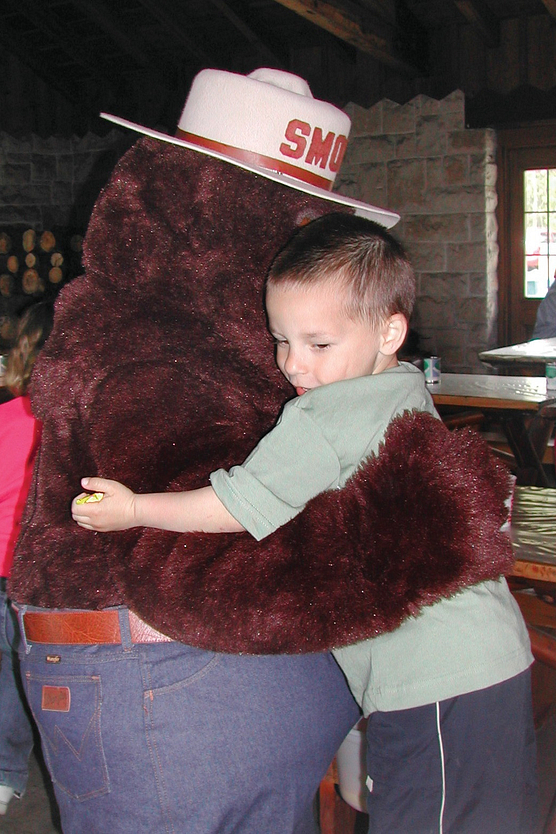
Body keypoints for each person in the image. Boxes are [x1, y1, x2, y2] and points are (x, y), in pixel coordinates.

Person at [73, 213, 537, 834]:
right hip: (494, 651)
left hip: (432, 683)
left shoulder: (323, 415)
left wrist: (136, 507)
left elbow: (235, 507)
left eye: (318, 344)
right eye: (280, 340)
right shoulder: (403, 386)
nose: (294, 365)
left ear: (390, 330)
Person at [0, 301, 54, 814]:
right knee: (41, 674)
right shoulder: (75, 426)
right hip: (39, 577)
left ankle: (3, 772)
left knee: (6, 674)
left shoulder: (5, 419)